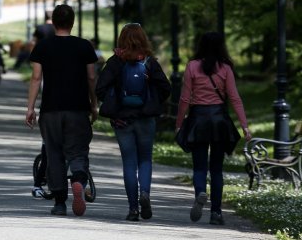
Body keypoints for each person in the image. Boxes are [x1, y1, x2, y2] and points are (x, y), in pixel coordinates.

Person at [25, 4, 98, 217]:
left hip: (51, 109)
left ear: (54, 23)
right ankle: (77, 178)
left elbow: (36, 77)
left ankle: (59, 202)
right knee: (78, 150)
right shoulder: (84, 46)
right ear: (72, 22)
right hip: (77, 108)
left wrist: (30, 108)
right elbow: (91, 77)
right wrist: (94, 104)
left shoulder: (43, 46)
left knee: (54, 153)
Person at [95, 24, 171, 221]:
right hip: (146, 119)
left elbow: (100, 89)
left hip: (123, 121)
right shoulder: (149, 62)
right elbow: (166, 89)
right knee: (145, 159)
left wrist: (116, 106)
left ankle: (133, 209)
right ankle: (144, 192)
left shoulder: (115, 62)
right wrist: (151, 100)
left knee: (129, 163)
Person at [176, 32, 251, 226]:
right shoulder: (225, 68)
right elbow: (234, 98)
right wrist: (244, 126)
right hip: (219, 121)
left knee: (199, 166)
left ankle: (200, 191)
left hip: (198, 120)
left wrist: (179, 123)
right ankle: (216, 213)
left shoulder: (192, 66)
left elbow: (185, 98)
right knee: (216, 170)